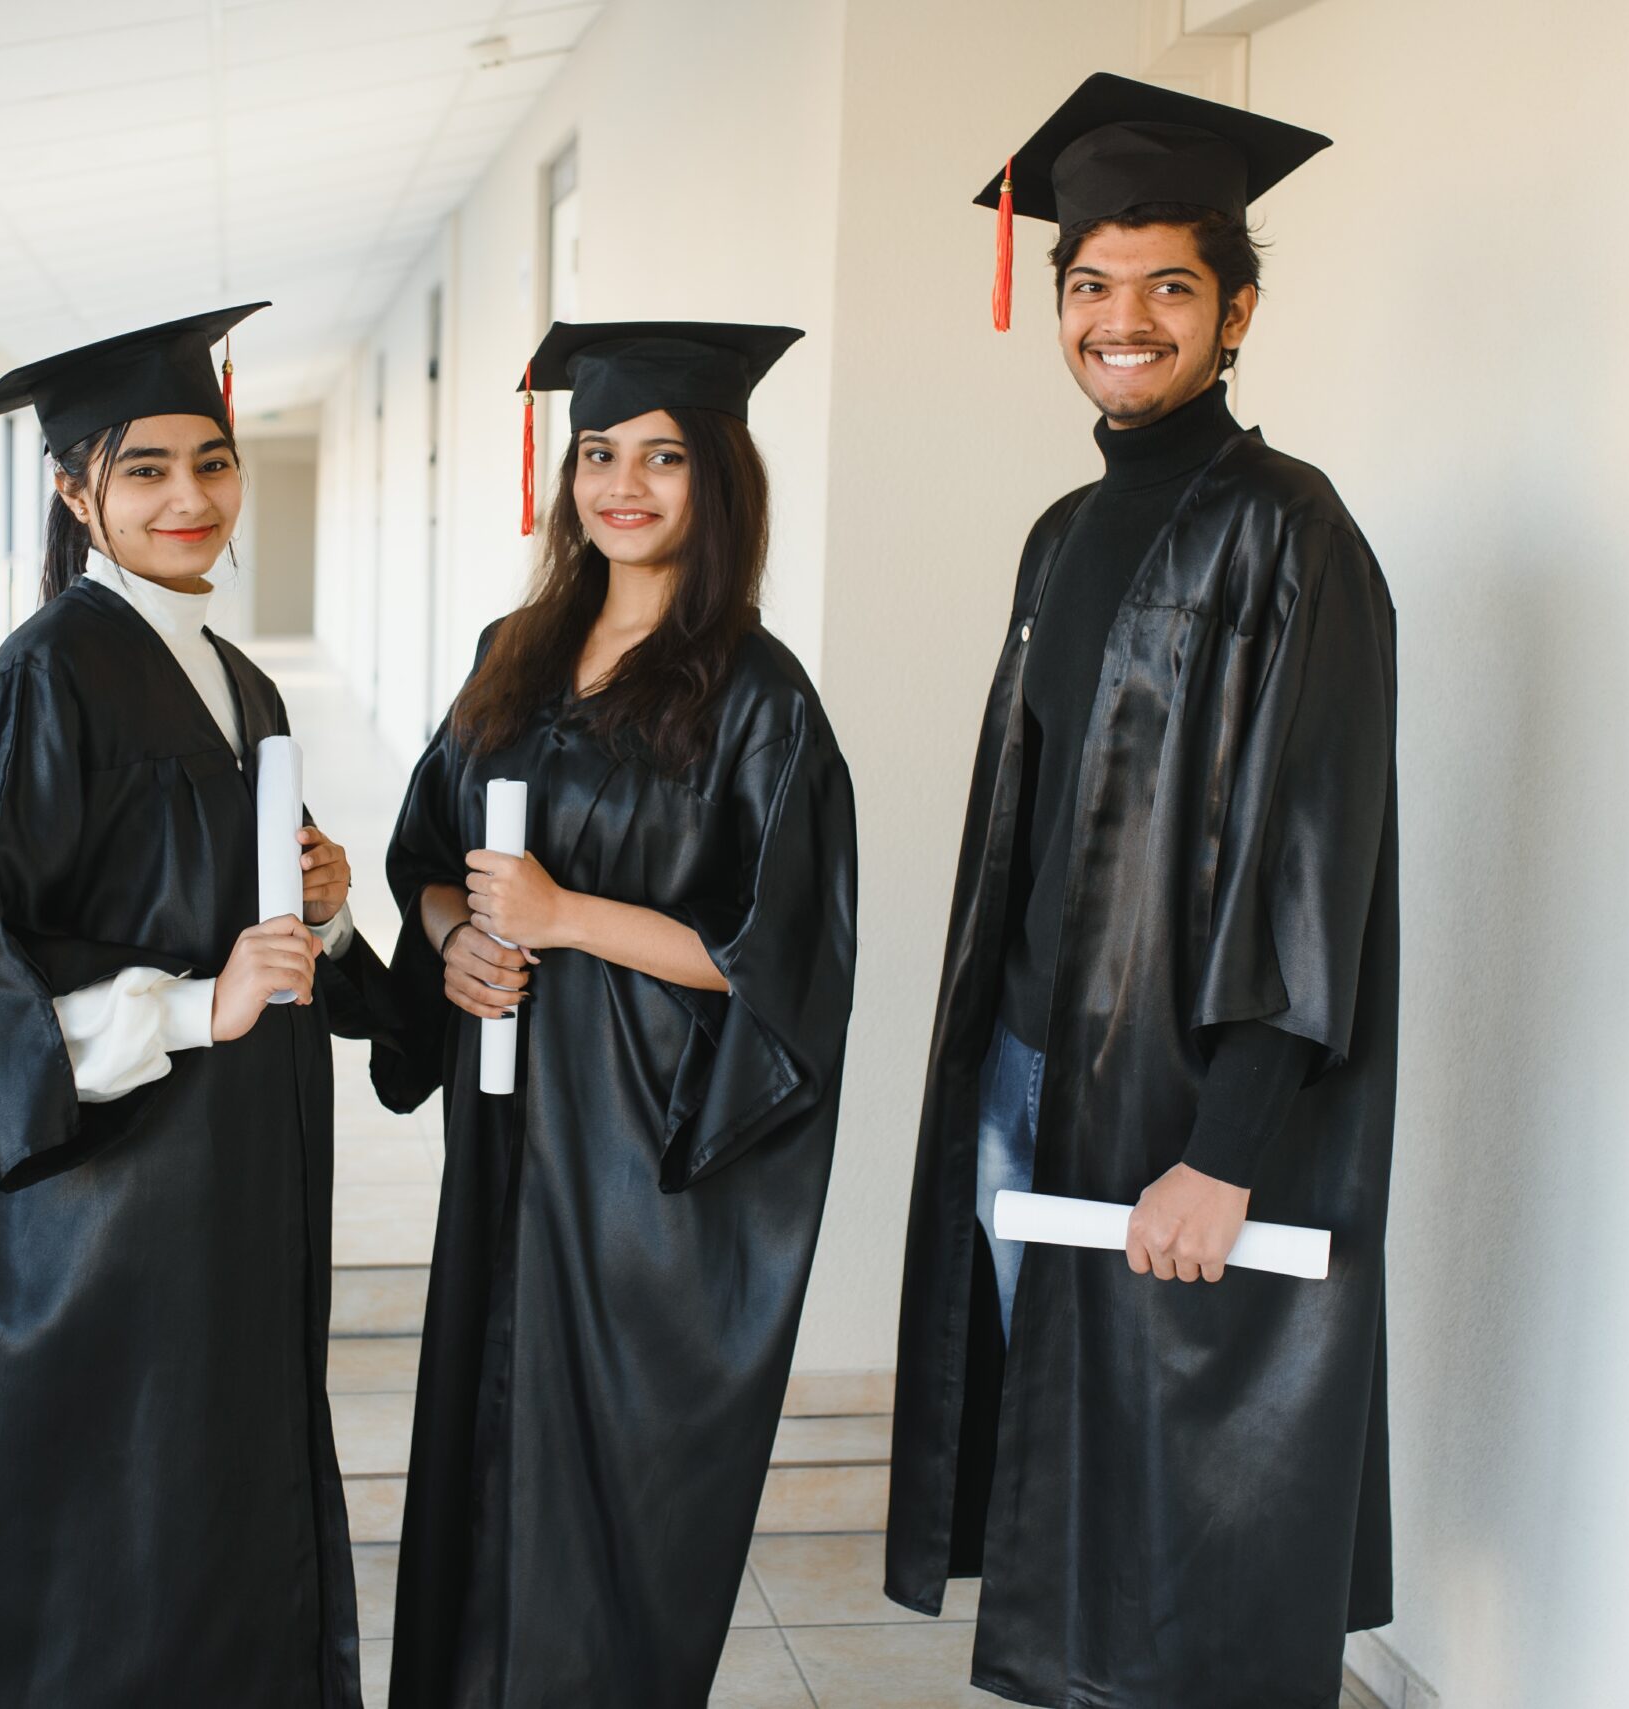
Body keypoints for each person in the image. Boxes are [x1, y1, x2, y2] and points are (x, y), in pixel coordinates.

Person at [884, 74, 1401, 1709]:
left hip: (1177, 1103)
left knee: (1187, 1519)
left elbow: (1319, 859)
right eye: (1091, 284)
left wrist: (1227, 1147)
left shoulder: (1292, 532)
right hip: (1031, 1079)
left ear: (1237, 310)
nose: (1125, 319)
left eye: (1170, 284)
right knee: (1081, 1471)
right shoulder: (1063, 531)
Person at [0, 304, 386, 1708]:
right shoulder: (43, 682)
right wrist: (184, 1009)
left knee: (221, 1528)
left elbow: (278, 949)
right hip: (102, 1230)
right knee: (116, 1559)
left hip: (229, 1201)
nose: (189, 499)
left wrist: (329, 901)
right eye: (147, 467)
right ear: (73, 486)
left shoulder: (245, 682)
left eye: (211, 463)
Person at [374, 321, 858, 1709]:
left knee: (613, 1484)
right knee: (482, 1442)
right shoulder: (510, 652)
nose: (625, 484)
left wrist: (568, 915)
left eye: (663, 455)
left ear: (721, 482)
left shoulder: (758, 699)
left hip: (644, 1154)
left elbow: (782, 956)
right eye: (601, 453)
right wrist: (462, 941)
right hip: (510, 1124)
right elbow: (427, 857)